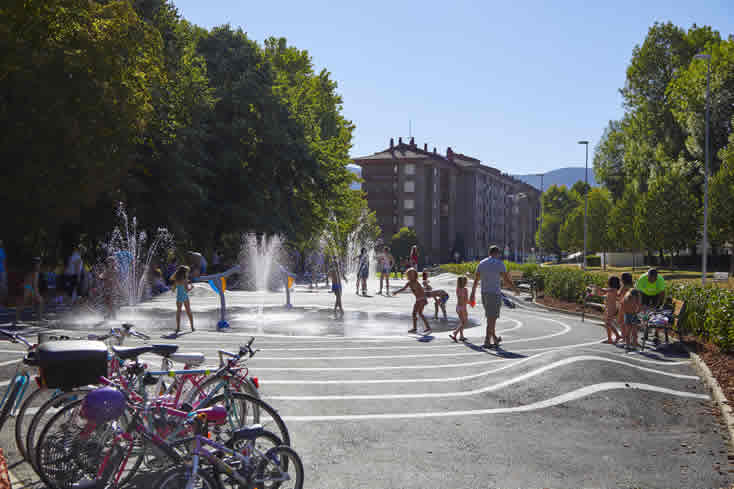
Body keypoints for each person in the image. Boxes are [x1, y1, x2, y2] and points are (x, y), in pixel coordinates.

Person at [470, 245, 518, 349]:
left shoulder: (482, 263)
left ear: (489, 253)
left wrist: (472, 294)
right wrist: (515, 289)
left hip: (484, 293)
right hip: (494, 293)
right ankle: (487, 340)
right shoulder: (499, 264)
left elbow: (476, 280)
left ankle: (494, 338)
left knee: (490, 317)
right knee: (492, 319)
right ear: (497, 253)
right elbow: (506, 279)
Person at [394, 268, 432, 335]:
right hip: (418, 299)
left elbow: (422, 291)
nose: (411, 276)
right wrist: (396, 292)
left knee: (418, 313)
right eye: (409, 275)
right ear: (407, 275)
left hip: (422, 299)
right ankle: (418, 328)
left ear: (415, 275)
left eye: (413, 275)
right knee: (416, 313)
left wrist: (424, 298)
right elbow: (403, 289)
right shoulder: (409, 283)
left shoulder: (416, 282)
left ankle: (424, 327)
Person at [593, 276, 623, 344]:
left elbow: (604, 291)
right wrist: (595, 290)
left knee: (608, 323)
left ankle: (614, 337)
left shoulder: (614, 289)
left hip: (612, 308)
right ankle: (613, 337)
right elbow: (600, 293)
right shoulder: (611, 290)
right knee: (607, 323)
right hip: (609, 308)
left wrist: (597, 287)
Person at [15, 257, 43, 324]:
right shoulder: (36, 271)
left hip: (26, 287)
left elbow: (26, 280)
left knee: (35, 302)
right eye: (39, 263)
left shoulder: (30, 270)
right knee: (39, 301)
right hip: (29, 287)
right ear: (37, 263)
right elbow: (35, 283)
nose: (40, 265)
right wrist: (37, 293)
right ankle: (39, 318)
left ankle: (39, 318)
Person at [172, 265, 195, 333]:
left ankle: (178, 328)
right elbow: (187, 290)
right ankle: (192, 327)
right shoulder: (185, 280)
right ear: (184, 272)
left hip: (179, 297)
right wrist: (192, 287)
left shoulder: (177, 280)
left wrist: (175, 288)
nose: (188, 273)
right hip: (185, 297)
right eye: (187, 272)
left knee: (178, 312)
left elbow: (173, 289)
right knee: (188, 311)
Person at [617, 273, 634, 345]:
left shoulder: (623, 287)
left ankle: (624, 338)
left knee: (622, 322)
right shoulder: (632, 286)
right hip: (631, 307)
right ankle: (632, 339)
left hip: (623, 306)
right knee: (631, 324)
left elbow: (618, 294)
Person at [450, 276, 469, 342]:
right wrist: (471, 302)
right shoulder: (465, 289)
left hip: (458, 307)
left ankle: (461, 336)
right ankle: (456, 332)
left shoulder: (457, 289)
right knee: (464, 322)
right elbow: (466, 300)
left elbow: (460, 298)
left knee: (461, 322)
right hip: (463, 307)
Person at [0, 240, 6, 305]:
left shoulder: (2, 250)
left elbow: (4, 261)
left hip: (2, 270)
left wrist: (4, 271)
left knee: (2, 286)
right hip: (2, 270)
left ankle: (1, 303)